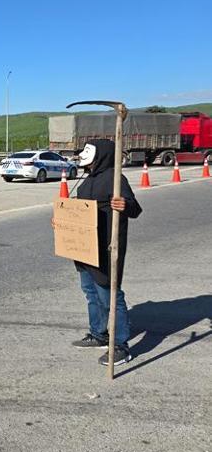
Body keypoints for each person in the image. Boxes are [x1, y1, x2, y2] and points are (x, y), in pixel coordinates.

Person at [69, 139, 142, 366]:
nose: (82, 155)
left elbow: (134, 208)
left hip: (105, 248)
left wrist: (124, 205)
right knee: (90, 292)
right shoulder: (86, 181)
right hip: (84, 249)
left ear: (102, 155)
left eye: (88, 151)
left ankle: (120, 345)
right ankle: (99, 334)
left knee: (109, 295)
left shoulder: (116, 179)